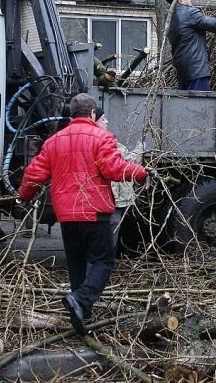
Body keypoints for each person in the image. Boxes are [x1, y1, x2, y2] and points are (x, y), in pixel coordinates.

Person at [17, 93, 153, 335]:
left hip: (67, 216)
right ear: (92, 114)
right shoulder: (102, 137)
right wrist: (140, 172)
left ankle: (81, 314)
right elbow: (114, 169)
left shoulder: (54, 141)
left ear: (72, 114)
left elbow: (33, 174)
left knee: (76, 265)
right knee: (104, 262)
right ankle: (81, 300)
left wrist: (24, 196)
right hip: (95, 211)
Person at [94, 107, 144, 250]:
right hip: (113, 199)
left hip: (103, 199)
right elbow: (129, 162)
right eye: (103, 118)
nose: (107, 121)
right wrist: (141, 147)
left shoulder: (93, 140)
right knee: (111, 231)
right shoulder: (107, 142)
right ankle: (104, 265)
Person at [166, 0, 216, 91]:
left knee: (186, 104)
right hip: (197, 70)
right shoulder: (188, 13)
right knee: (200, 104)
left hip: (183, 72)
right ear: (181, 1)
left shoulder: (170, 19)